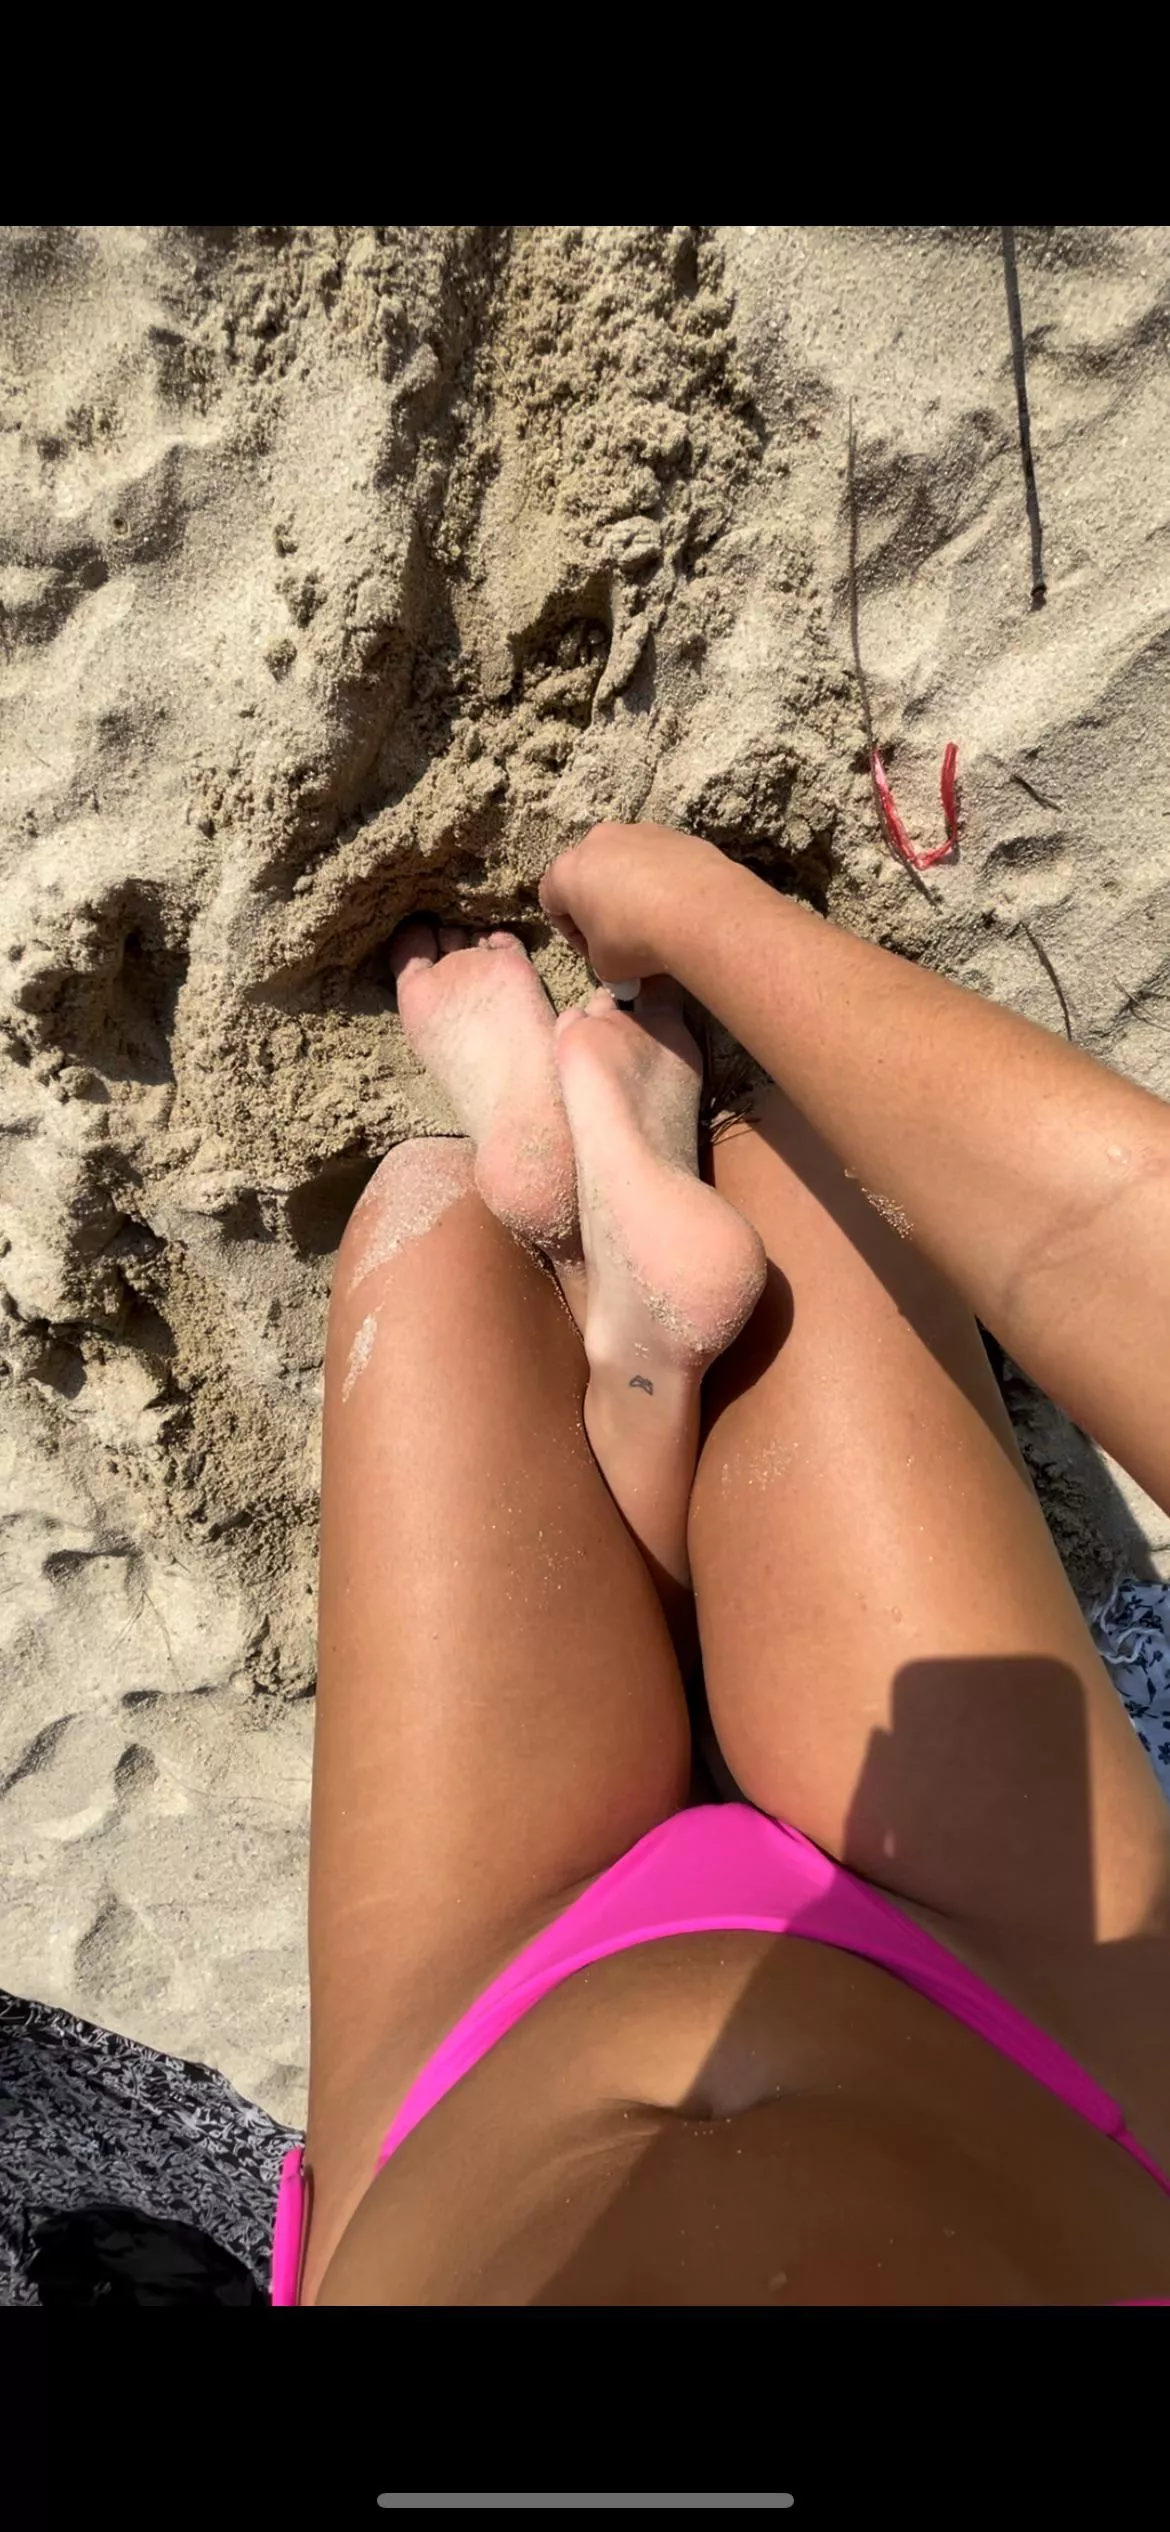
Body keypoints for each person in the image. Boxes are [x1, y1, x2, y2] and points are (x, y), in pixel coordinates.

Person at [274, 819, 1170, 2306]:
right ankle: (616, 1312)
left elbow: (1123, 1238)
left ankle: (619, 1320)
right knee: (431, 1239)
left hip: (506, 2057)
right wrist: (697, 911)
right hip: (995, 2028)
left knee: (666, 1200)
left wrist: (691, 915)